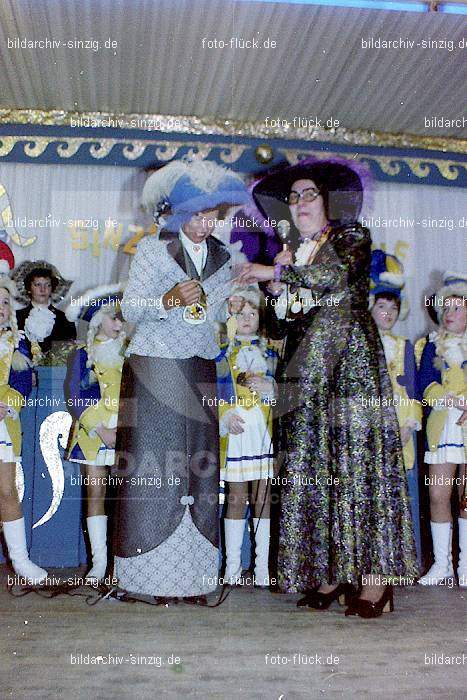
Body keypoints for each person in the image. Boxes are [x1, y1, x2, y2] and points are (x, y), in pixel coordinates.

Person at [238, 157, 418, 618]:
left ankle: (376, 579)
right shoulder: (291, 252)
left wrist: (273, 274)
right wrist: (276, 293)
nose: (299, 203)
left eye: (308, 194)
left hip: (350, 365)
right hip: (305, 371)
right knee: (314, 467)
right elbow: (280, 326)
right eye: (293, 197)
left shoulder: (351, 237)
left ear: (327, 201)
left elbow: (336, 277)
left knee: (359, 465)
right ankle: (333, 572)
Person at [113, 159, 249, 603]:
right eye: (195, 214)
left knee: (199, 469)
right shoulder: (152, 250)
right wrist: (167, 299)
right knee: (156, 468)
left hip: (200, 368)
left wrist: (225, 313)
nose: (203, 223)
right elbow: (131, 309)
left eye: (211, 215)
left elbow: (214, 315)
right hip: (155, 367)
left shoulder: (224, 258)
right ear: (177, 213)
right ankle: (144, 581)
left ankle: (193, 580)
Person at [216, 286, 277, 586]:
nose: (247, 319)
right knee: (236, 498)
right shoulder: (222, 352)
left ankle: (263, 568)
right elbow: (211, 389)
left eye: (253, 313)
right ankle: (232, 569)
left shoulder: (272, 351)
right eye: (241, 313)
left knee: (263, 497)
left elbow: (287, 391)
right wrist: (224, 414)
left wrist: (272, 390)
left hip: (262, 429)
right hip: (236, 429)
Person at [64, 285, 126, 582]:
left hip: (126, 430)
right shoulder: (83, 354)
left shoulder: (132, 354)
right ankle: (99, 562)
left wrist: (123, 427)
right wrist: (101, 428)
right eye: (114, 318)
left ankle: (123, 562)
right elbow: (75, 395)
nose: (119, 324)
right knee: (96, 491)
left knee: (128, 495)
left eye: (122, 319)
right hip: (94, 433)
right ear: (99, 319)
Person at [369, 249, 422, 563]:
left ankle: (405, 560)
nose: (386, 313)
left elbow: (413, 391)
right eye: (381, 306)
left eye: (392, 307)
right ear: (371, 308)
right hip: (369, 427)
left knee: (401, 494)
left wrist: (408, 424)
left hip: (399, 427)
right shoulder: (360, 345)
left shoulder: (404, 346)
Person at [418, 273, 466, 588]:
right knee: (438, 494)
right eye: (445, 308)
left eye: (457, 307)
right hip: (442, 426)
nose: (449, 314)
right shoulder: (430, 345)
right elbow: (422, 383)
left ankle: (466, 566)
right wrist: (439, 396)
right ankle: (442, 565)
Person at [0, 276, 45, 584]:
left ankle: (21, 562)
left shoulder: (19, 343)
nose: (0, 308)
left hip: (3, 422)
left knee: (6, 490)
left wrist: (5, 405)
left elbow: (23, 382)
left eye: (4, 302)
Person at [13, 261, 75, 363]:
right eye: (37, 285)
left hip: (53, 376)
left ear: (52, 288)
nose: (43, 289)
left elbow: (68, 354)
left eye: (48, 285)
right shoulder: (16, 318)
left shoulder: (65, 319)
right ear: (29, 288)